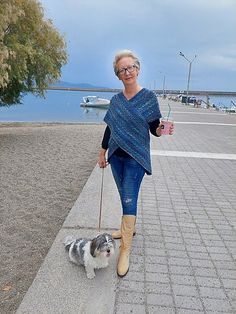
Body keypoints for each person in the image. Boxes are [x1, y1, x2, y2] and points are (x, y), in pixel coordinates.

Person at [98, 50, 174, 277]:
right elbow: (110, 128)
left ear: (138, 69)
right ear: (118, 75)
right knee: (123, 195)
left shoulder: (148, 98)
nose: (127, 72)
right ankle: (127, 229)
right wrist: (103, 152)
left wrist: (161, 130)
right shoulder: (116, 101)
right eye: (123, 69)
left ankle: (125, 251)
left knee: (130, 196)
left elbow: (154, 128)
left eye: (131, 67)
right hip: (116, 156)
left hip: (136, 157)